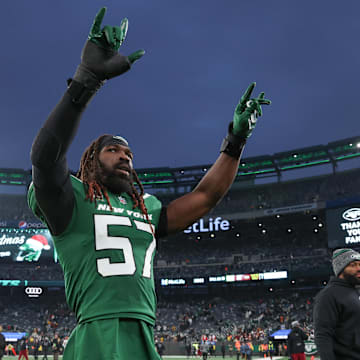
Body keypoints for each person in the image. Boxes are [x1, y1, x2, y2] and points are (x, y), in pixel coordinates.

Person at [27, 7, 270, 360]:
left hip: (144, 334)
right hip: (97, 333)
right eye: (113, 150)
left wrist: (234, 143)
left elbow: (205, 197)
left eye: (129, 153)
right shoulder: (71, 200)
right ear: (91, 162)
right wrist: (85, 81)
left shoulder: (147, 208)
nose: (125, 157)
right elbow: (45, 158)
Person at [314, 248, 360, 360]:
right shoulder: (328, 295)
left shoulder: (355, 291)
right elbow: (323, 335)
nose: (359, 269)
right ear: (341, 268)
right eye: (353, 265)